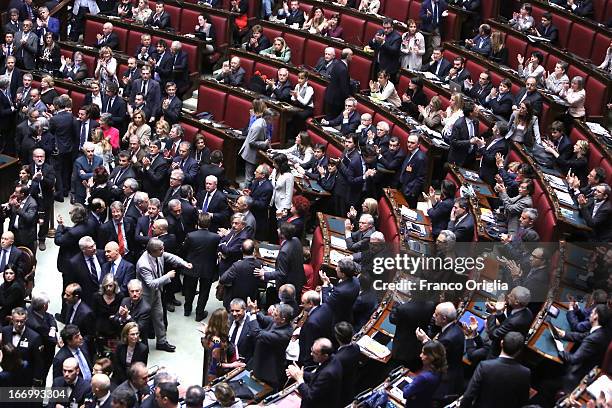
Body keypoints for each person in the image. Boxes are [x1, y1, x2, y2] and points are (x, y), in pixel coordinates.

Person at [136, 238, 192, 352]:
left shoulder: (158, 254)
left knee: (159, 317)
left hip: (156, 293)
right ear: (153, 251)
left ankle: (161, 342)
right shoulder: (143, 264)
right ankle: (140, 345)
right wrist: (168, 276)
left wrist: (184, 263)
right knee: (143, 322)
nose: (163, 251)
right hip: (145, 297)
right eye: (161, 249)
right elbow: (151, 284)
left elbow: (171, 257)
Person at [460, 332, 531, 408]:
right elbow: (523, 401)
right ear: (519, 351)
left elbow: (469, 395)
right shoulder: (525, 373)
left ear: (501, 343)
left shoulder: (484, 366)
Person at [247, 301, 294, 390]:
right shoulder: (279, 321)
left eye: (275, 315)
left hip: (268, 370)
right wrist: (255, 311)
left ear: (283, 319)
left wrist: (253, 315)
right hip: (261, 362)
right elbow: (264, 319)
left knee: (262, 392)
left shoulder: (283, 334)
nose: (272, 315)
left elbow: (257, 333)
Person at [183, 213, 221, 320]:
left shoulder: (191, 235)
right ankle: (199, 314)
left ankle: (187, 310)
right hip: (208, 267)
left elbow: (185, 249)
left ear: (198, 222)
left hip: (192, 266)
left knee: (190, 289)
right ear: (209, 223)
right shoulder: (216, 237)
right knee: (204, 291)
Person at [286, 337, 343, 408]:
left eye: (315, 353)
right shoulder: (333, 358)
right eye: (312, 350)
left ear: (325, 355)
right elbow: (317, 377)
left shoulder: (328, 373)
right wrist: (301, 373)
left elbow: (310, 397)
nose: (311, 354)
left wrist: (299, 379)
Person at [200, 308, 242, 384]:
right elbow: (216, 365)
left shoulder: (209, 335)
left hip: (208, 372)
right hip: (217, 377)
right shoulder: (218, 343)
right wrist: (233, 365)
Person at [402, 340, 447, 408]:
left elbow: (405, 393)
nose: (420, 355)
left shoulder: (423, 377)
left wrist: (407, 386)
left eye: (424, 353)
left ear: (431, 357)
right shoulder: (439, 372)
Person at [219, 240, 263, 309]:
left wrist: (234, 266)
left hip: (236, 298)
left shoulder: (237, 265)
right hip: (252, 298)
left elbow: (223, 279)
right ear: (254, 250)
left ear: (241, 250)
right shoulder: (259, 264)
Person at [239, 99, 271, 185]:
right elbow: (251, 142)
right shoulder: (258, 125)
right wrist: (264, 144)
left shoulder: (261, 122)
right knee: (249, 178)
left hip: (255, 154)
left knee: (252, 177)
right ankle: (245, 195)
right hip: (251, 154)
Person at [319, 258, 360, 324]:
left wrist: (325, 284)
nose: (336, 269)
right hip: (347, 312)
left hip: (337, 318)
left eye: (338, 268)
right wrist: (329, 283)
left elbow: (326, 303)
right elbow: (339, 289)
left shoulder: (340, 292)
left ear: (343, 274)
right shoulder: (356, 280)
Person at [324, 48, 352, 119]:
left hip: (329, 96)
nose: (352, 57)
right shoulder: (343, 69)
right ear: (347, 56)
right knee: (332, 121)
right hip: (336, 101)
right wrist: (349, 97)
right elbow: (344, 87)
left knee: (328, 118)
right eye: (351, 55)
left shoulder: (337, 64)